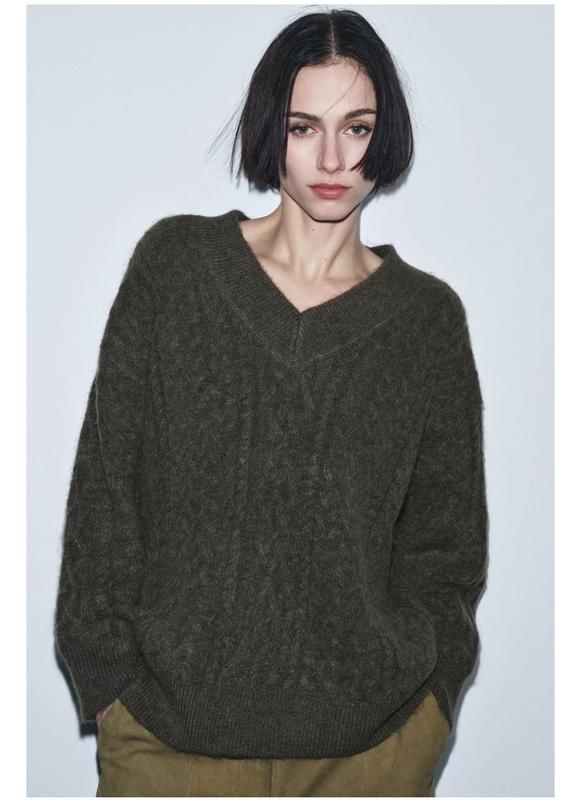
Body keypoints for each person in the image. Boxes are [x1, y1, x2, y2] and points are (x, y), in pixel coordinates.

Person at [54, 8, 488, 797]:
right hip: (167, 743)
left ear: (385, 136)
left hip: (370, 755)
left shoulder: (425, 321)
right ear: (269, 131)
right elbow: (106, 488)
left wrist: (430, 709)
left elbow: (446, 544)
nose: (331, 158)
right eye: (302, 127)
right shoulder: (175, 267)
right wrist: (107, 680)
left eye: (357, 128)